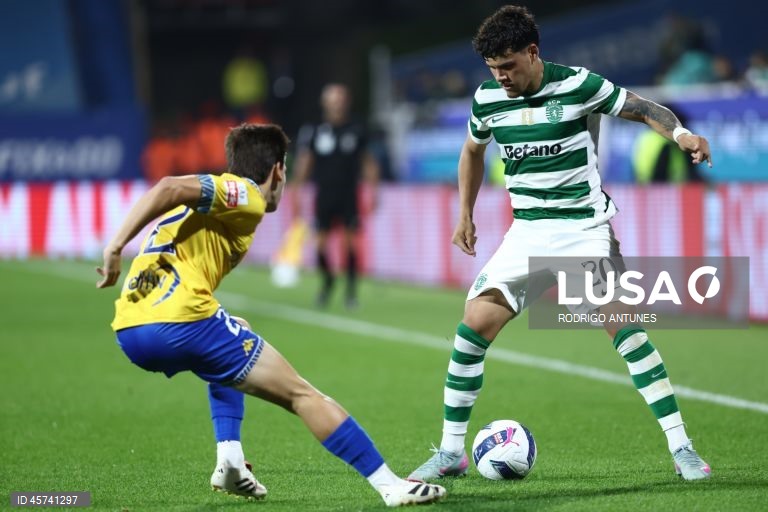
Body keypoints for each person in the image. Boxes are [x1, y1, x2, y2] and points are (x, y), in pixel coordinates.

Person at [409, 6, 713, 483]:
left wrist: (681, 134)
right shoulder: (488, 98)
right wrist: (464, 213)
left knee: (624, 329)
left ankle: (683, 449)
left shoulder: (578, 85)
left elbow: (645, 108)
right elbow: (472, 150)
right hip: (527, 233)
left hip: (583, 231)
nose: (501, 77)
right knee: (472, 328)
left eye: (508, 65)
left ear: (533, 52)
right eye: (493, 69)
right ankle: (450, 453)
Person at [95, 123, 445, 507]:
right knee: (301, 394)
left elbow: (175, 201)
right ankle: (390, 485)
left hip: (130, 330)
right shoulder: (245, 193)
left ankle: (229, 459)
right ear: (278, 170)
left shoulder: (204, 209)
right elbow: (167, 186)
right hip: (181, 320)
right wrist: (115, 246)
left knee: (235, 330)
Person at [293, 83, 380, 309]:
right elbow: (305, 163)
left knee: (351, 244)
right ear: (325, 103)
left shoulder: (356, 128)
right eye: (332, 100)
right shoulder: (315, 130)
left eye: (340, 99)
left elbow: (368, 162)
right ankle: (328, 280)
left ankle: (351, 293)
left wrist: (374, 190)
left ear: (346, 102)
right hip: (324, 195)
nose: (337, 104)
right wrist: (296, 192)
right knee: (320, 245)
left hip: (349, 194)